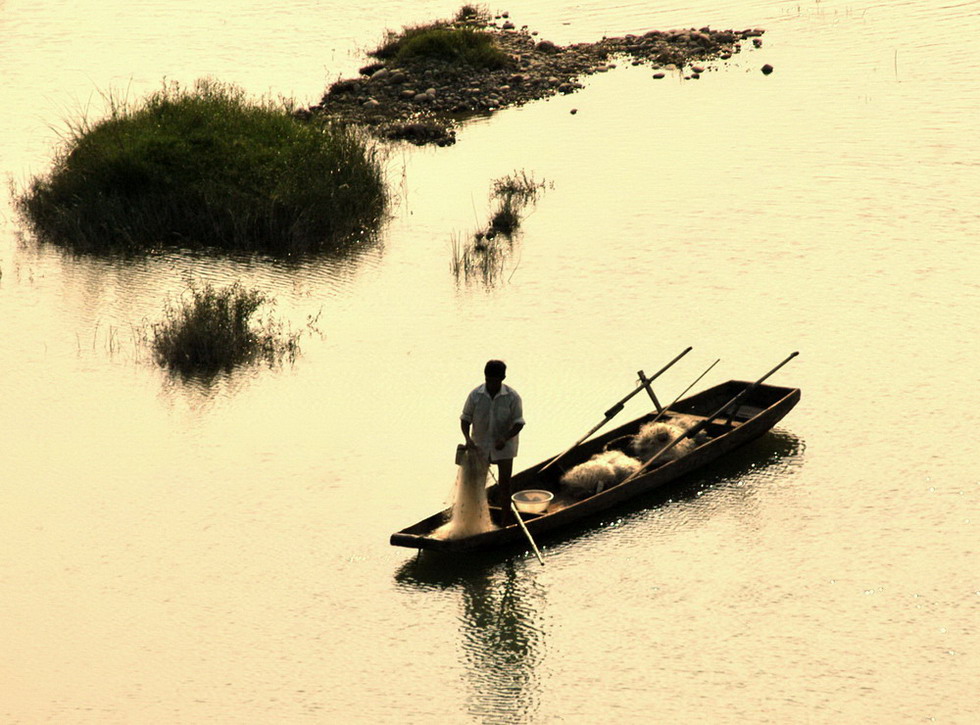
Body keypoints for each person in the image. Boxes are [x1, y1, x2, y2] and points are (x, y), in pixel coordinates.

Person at [460, 359, 525, 522]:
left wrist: (505, 437)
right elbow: (465, 419)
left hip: (505, 447)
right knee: (477, 486)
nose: (491, 383)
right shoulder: (475, 395)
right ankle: (475, 521)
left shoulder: (512, 397)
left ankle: (505, 520)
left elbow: (519, 423)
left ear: (502, 378)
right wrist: (467, 439)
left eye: (495, 380)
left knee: (504, 484)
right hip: (479, 446)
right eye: (489, 380)